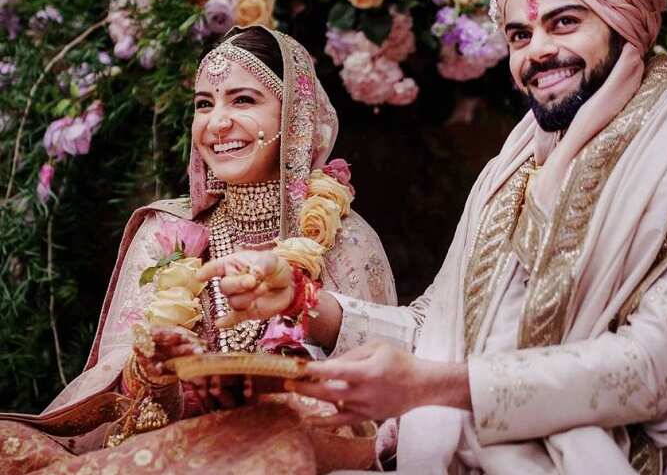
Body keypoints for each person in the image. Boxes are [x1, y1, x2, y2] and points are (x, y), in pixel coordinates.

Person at [204, 0, 667, 474]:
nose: (537, 52)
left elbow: (647, 371)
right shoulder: (513, 172)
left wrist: (432, 388)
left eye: (564, 23)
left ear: (624, 21)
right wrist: (305, 304)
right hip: (513, 448)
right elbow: (436, 330)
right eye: (519, 35)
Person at [0, 26, 396, 473]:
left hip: (290, 449)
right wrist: (156, 368)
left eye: (243, 100)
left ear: (295, 117)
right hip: (170, 448)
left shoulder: (345, 240)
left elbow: (381, 400)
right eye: (204, 104)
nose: (216, 123)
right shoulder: (167, 231)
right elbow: (114, 379)